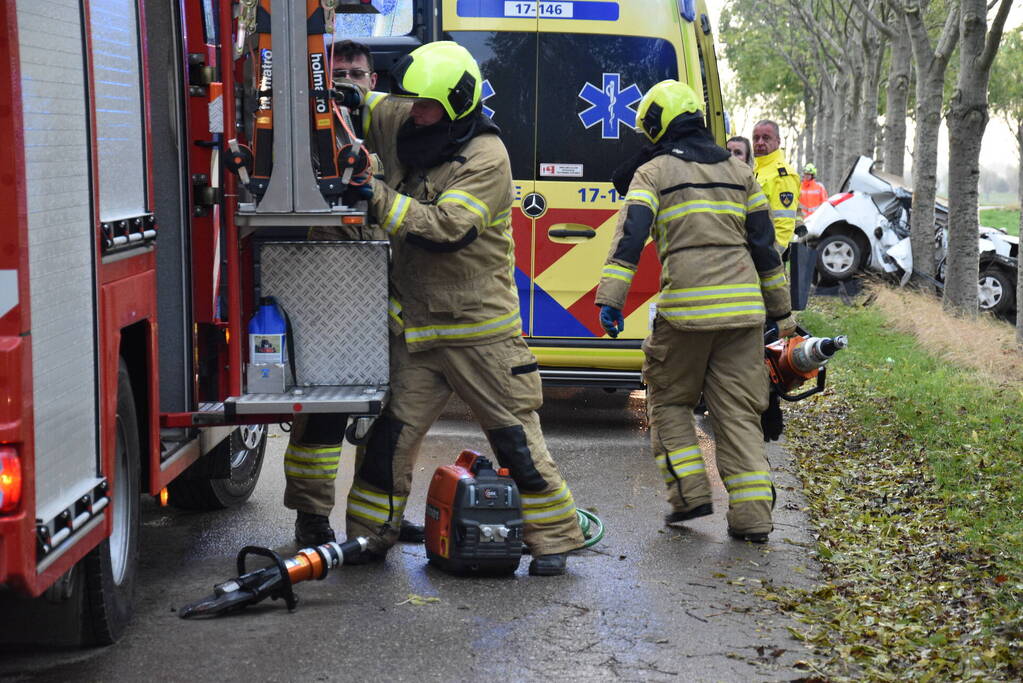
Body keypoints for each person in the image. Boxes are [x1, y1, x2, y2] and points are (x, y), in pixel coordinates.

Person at [335, 41, 584, 575]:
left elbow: (447, 229)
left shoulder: (487, 159)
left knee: (515, 440)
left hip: (480, 334)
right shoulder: (415, 115)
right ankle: (366, 537)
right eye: (413, 103)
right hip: (420, 332)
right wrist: (337, 96)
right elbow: (369, 105)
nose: (414, 113)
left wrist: (373, 193)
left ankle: (555, 540)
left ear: (456, 106)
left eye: (425, 107)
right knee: (388, 440)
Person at [596, 80, 796, 543]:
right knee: (738, 414)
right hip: (743, 317)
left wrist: (611, 300)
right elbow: (765, 248)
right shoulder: (740, 172)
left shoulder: (654, 172)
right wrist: (781, 315)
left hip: (686, 313)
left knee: (668, 401)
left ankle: (690, 495)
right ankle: (752, 521)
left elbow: (630, 236)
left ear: (658, 125)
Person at [281, 39, 424, 548]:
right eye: (335, 73)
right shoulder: (305, 136)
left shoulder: (395, 135)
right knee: (324, 415)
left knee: (392, 419)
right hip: (332, 296)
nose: (346, 82)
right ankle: (311, 517)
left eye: (356, 73)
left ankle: (376, 518)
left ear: (373, 82)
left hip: (390, 296)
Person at [752, 120, 800, 255]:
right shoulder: (755, 169)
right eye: (756, 138)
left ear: (778, 141)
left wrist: (771, 257)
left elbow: (784, 225)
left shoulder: (782, 175)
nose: (760, 142)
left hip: (765, 257)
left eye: (766, 138)